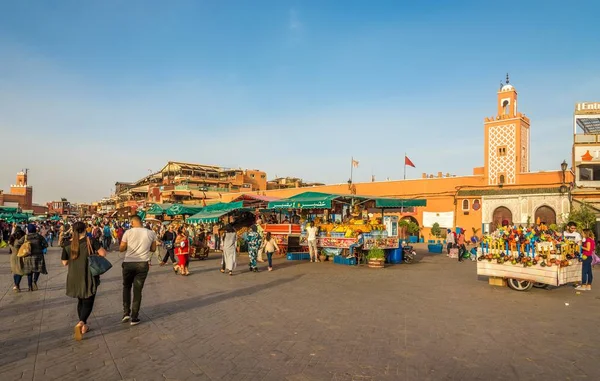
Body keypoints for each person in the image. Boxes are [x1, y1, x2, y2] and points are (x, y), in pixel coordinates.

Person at [61, 221, 108, 340]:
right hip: (88, 275)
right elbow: (103, 253)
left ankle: (83, 326)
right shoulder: (90, 241)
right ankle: (81, 322)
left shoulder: (67, 244)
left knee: (80, 300)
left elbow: (64, 262)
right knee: (88, 300)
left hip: (73, 275)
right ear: (85, 230)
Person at [119, 215, 157, 326]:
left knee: (126, 287)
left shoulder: (128, 233)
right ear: (141, 222)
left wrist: (128, 246)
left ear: (132, 222)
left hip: (128, 263)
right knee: (137, 290)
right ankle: (134, 317)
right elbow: (153, 249)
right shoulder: (151, 233)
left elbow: (121, 248)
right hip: (142, 264)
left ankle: (126, 312)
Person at [15, 224, 48, 291]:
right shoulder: (39, 236)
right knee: (38, 269)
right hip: (38, 256)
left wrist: (22, 249)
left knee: (29, 272)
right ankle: (34, 281)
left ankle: (30, 287)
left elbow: (17, 244)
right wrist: (40, 248)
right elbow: (46, 244)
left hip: (28, 256)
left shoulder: (25, 237)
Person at [9, 228, 26, 292]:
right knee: (20, 271)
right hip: (18, 256)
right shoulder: (18, 242)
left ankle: (17, 285)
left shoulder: (11, 240)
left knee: (15, 271)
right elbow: (24, 238)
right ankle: (16, 285)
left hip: (12, 257)